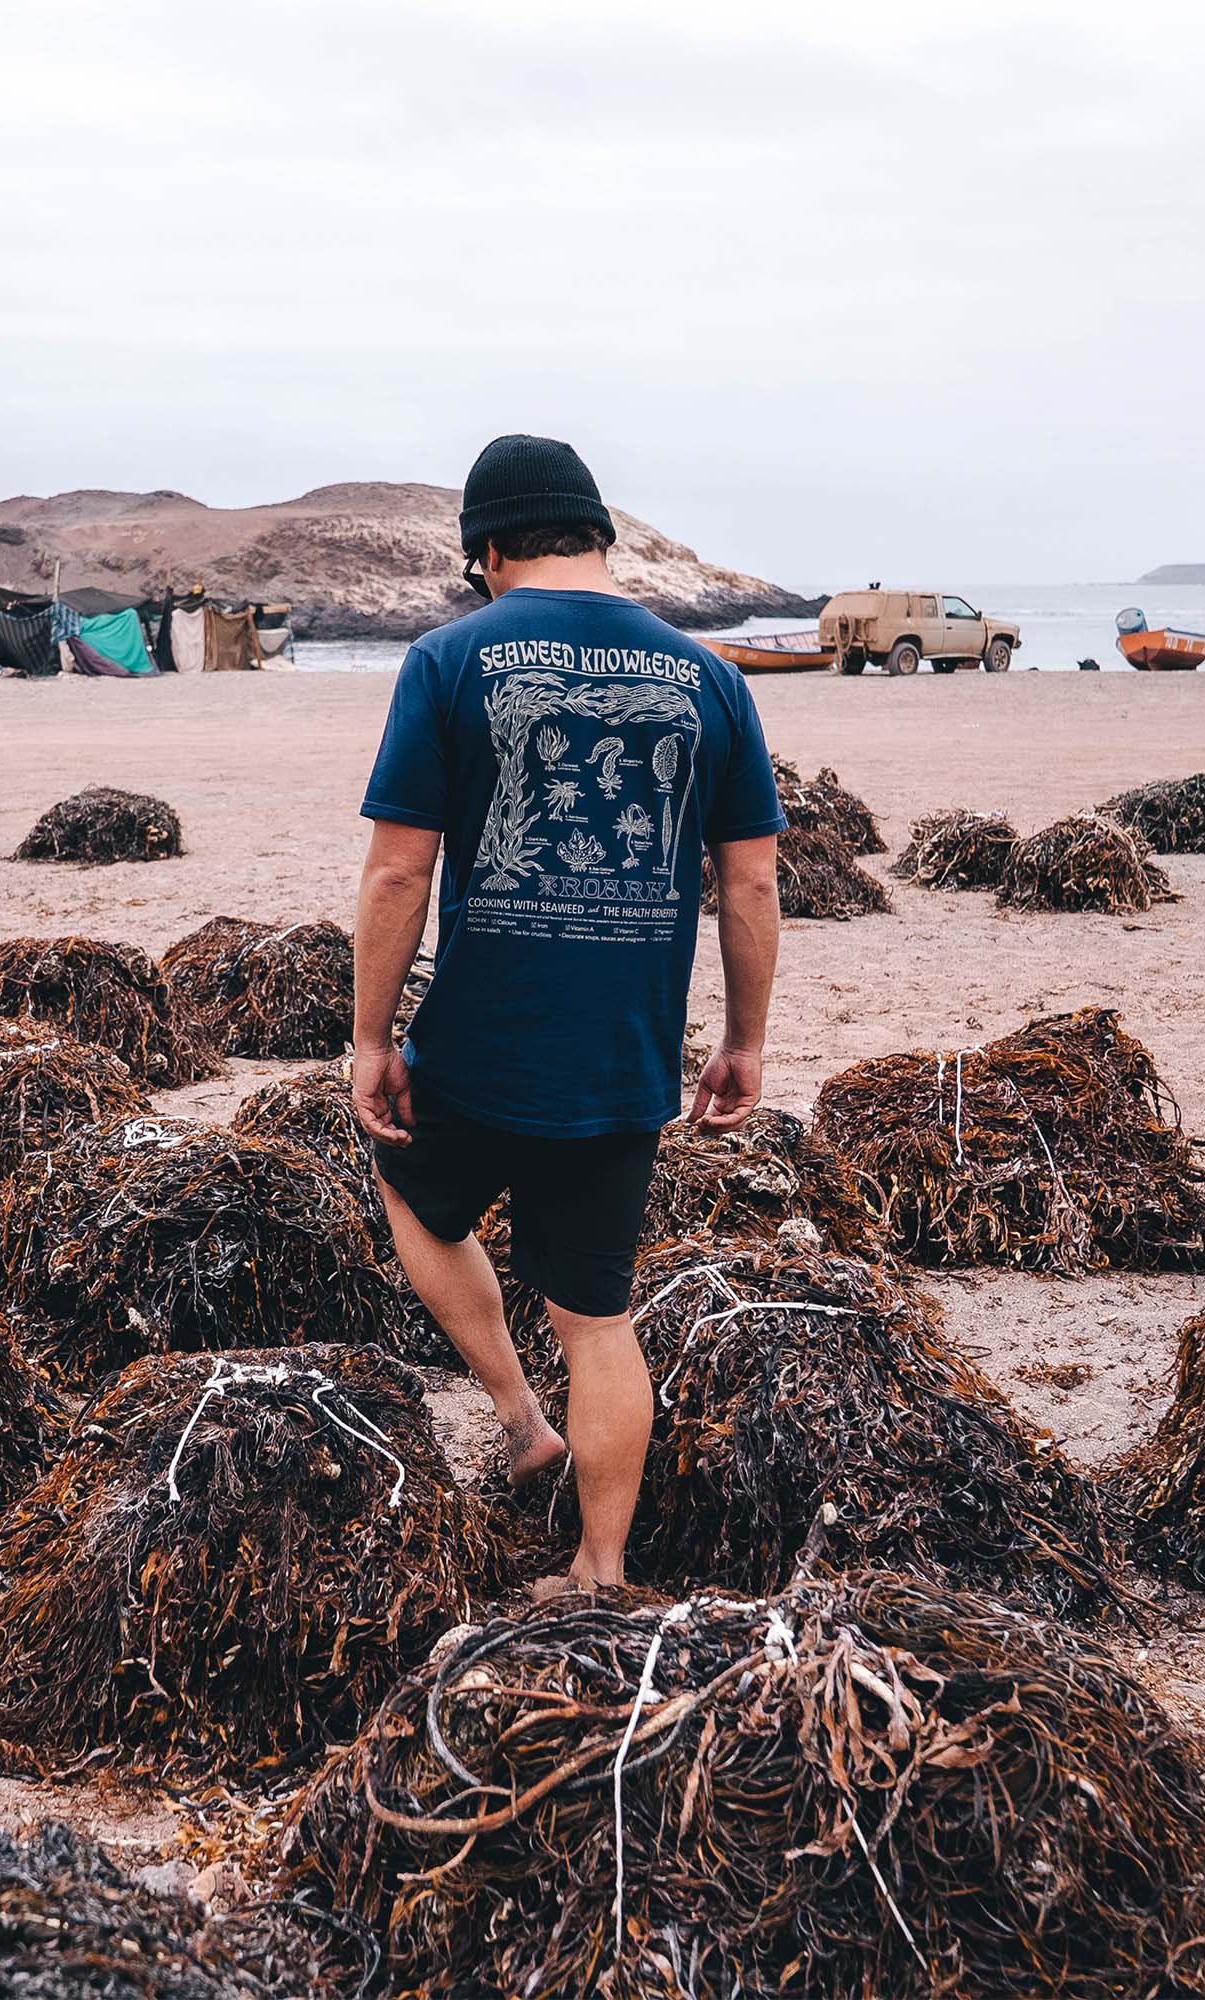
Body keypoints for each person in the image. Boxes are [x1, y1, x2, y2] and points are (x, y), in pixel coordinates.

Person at [351, 434, 784, 1593]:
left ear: (487, 550)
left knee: (410, 1190)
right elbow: (746, 880)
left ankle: (512, 1408)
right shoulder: (712, 677)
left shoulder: (449, 659)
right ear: (598, 535)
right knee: (597, 1313)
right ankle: (599, 1563)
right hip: (622, 1053)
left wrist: (368, 1039)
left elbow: (399, 873)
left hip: (480, 1041)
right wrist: (741, 1041)